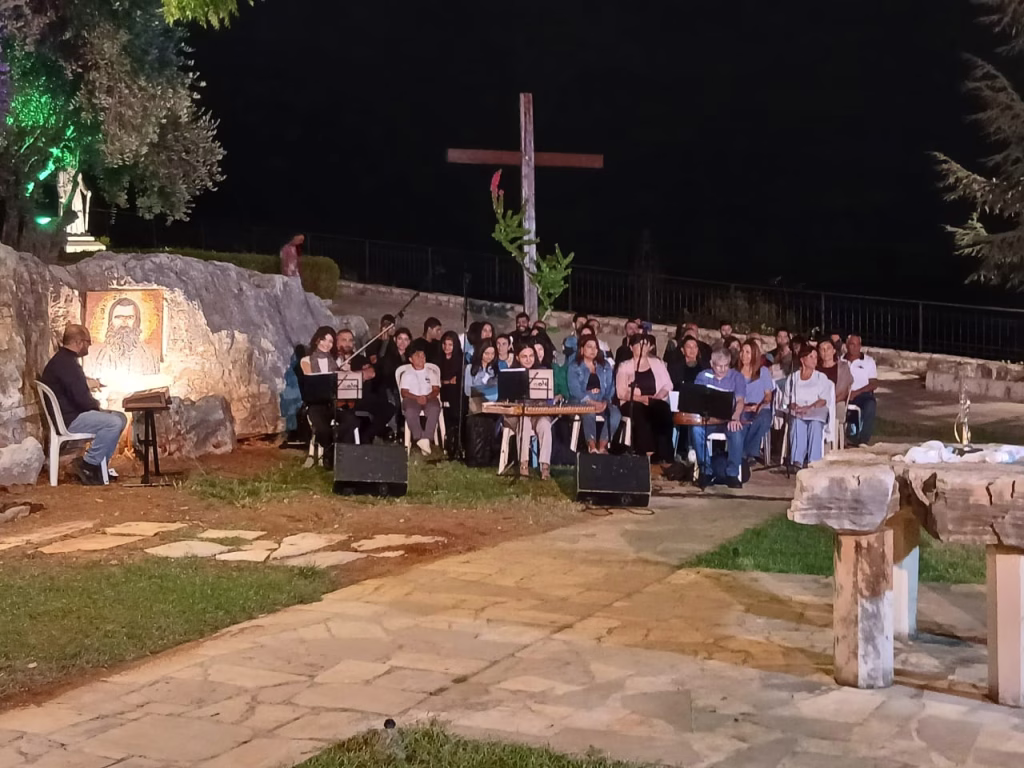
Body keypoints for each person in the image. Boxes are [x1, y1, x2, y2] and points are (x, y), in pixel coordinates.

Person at [40, 324, 128, 485]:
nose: (89, 346)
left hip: (72, 414)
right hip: (70, 419)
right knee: (113, 422)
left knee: (121, 418)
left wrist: (98, 409)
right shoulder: (66, 364)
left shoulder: (64, 361)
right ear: (78, 342)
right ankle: (88, 464)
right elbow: (81, 399)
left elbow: (77, 393)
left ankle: (99, 467)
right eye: (88, 342)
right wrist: (98, 408)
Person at [299, 326, 358, 467]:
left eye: (330, 341)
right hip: (316, 405)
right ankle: (330, 452)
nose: (327, 344)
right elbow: (311, 382)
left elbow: (346, 384)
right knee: (322, 428)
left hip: (335, 403)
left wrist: (347, 372)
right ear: (317, 340)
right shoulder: (306, 360)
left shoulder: (337, 361)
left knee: (352, 420)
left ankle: (335, 449)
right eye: (323, 340)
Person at [615, 333, 674, 466]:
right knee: (640, 412)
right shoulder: (625, 366)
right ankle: (647, 452)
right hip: (632, 402)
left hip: (654, 399)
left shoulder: (657, 363)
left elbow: (668, 384)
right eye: (639, 344)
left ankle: (665, 455)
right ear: (631, 347)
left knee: (663, 410)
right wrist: (642, 399)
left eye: (646, 344)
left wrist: (657, 397)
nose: (643, 347)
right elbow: (621, 392)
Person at [336, 328, 395, 444]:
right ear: (336, 342)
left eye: (350, 340)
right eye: (344, 340)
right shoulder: (333, 358)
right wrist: (360, 375)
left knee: (388, 408)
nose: (347, 343)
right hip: (340, 401)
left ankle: (367, 435)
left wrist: (352, 374)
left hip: (360, 399)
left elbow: (371, 373)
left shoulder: (359, 358)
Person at [781, 345, 834, 468]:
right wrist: (795, 407)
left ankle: (813, 463)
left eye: (815, 357)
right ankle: (797, 461)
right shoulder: (793, 378)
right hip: (798, 412)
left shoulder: (821, 377)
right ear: (802, 359)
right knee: (797, 422)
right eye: (811, 357)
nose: (814, 360)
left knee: (815, 424)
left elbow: (823, 400)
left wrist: (809, 408)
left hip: (815, 411)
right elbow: (788, 400)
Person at [568, 334, 620, 453]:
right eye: (589, 347)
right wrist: (591, 401)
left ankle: (602, 445)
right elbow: (574, 390)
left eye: (595, 347)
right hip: (581, 400)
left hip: (601, 400)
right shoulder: (574, 367)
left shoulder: (605, 366)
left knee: (615, 413)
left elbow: (610, 387)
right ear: (582, 349)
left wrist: (605, 402)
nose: (593, 350)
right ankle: (592, 446)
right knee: (589, 411)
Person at [507, 343, 553, 479]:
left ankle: (545, 466)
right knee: (525, 422)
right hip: (518, 415)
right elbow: (507, 400)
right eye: (524, 356)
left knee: (545, 425)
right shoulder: (512, 374)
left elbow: (548, 398)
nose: (528, 359)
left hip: (538, 413)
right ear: (517, 357)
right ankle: (523, 464)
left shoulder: (543, 372)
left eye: (531, 356)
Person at [89, 297, 160, 377]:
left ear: (137, 322)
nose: (124, 323)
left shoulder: (150, 356)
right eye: (119, 317)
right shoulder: (97, 355)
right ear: (110, 321)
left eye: (129, 318)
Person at [400, 342, 442, 456]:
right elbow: (404, 392)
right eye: (417, 356)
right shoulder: (407, 374)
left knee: (435, 408)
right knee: (410, 410)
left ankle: (427, 438)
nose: (421, 358)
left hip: (429, 397)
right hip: (412, 398)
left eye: (423, 355)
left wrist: (427, 397)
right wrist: (417, 398)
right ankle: (419, 438)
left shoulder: (431, 372)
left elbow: (436, 389)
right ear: (410, 359)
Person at [736, 339, 774, 466]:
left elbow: (768, 395)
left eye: (748, 352)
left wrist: (758, 406)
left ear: (754, 355)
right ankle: (745, 453)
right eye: (742, 351)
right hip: (742, 407)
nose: (744, 355)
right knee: (742, 418)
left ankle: (748, 452)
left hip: (761, 406)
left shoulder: (763, 372)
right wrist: (742, 407)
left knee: (762, 420)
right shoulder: (735, 373)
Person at [844, 333, 878, 445]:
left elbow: (873, 384)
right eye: (852, 344)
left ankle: (863, 440)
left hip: (862, 394)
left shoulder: (868, 361)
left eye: (858, 345)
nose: (855, 348)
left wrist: (856, 392)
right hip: (843, 394)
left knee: (870, 404)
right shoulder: (840, 360)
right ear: (847, 345)